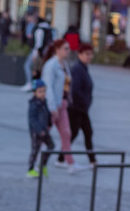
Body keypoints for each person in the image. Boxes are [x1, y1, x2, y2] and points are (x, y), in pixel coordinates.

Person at [41, 39, 77, 171]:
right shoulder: (51, 65)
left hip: (63, 104)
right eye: (65, 48)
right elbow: (48, 86)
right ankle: (37, 162)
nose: (68, 51)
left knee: (67, 133)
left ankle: (70, 162)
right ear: (57, 49)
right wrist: (52, 106)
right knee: (44, 134)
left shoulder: (65, 65)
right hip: (53, 105)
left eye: (68, 48)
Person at [68, 43, 96, 167]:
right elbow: (75, 90)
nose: (89, 57)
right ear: (80, 55)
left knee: (87, 133)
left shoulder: (83, 68)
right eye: (86, 54)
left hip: (82, 108)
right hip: (76, 108)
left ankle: (92, 160)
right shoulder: (78, 69)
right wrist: (84, 101)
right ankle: (62, 157)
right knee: (73, 134)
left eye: (91, 54)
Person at [26, 80, 54, 178]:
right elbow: (32, 119)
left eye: (44, 91)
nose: (43, 94)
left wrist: (50, 122)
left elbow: (47, 113)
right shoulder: (33, 104)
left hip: (44, 129)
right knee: (35, 150)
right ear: (34, 92)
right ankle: (30, 169)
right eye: (40, 91)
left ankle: (43, 164)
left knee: (51, 146)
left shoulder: (44, 102)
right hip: (36, 132)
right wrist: (39, 130)